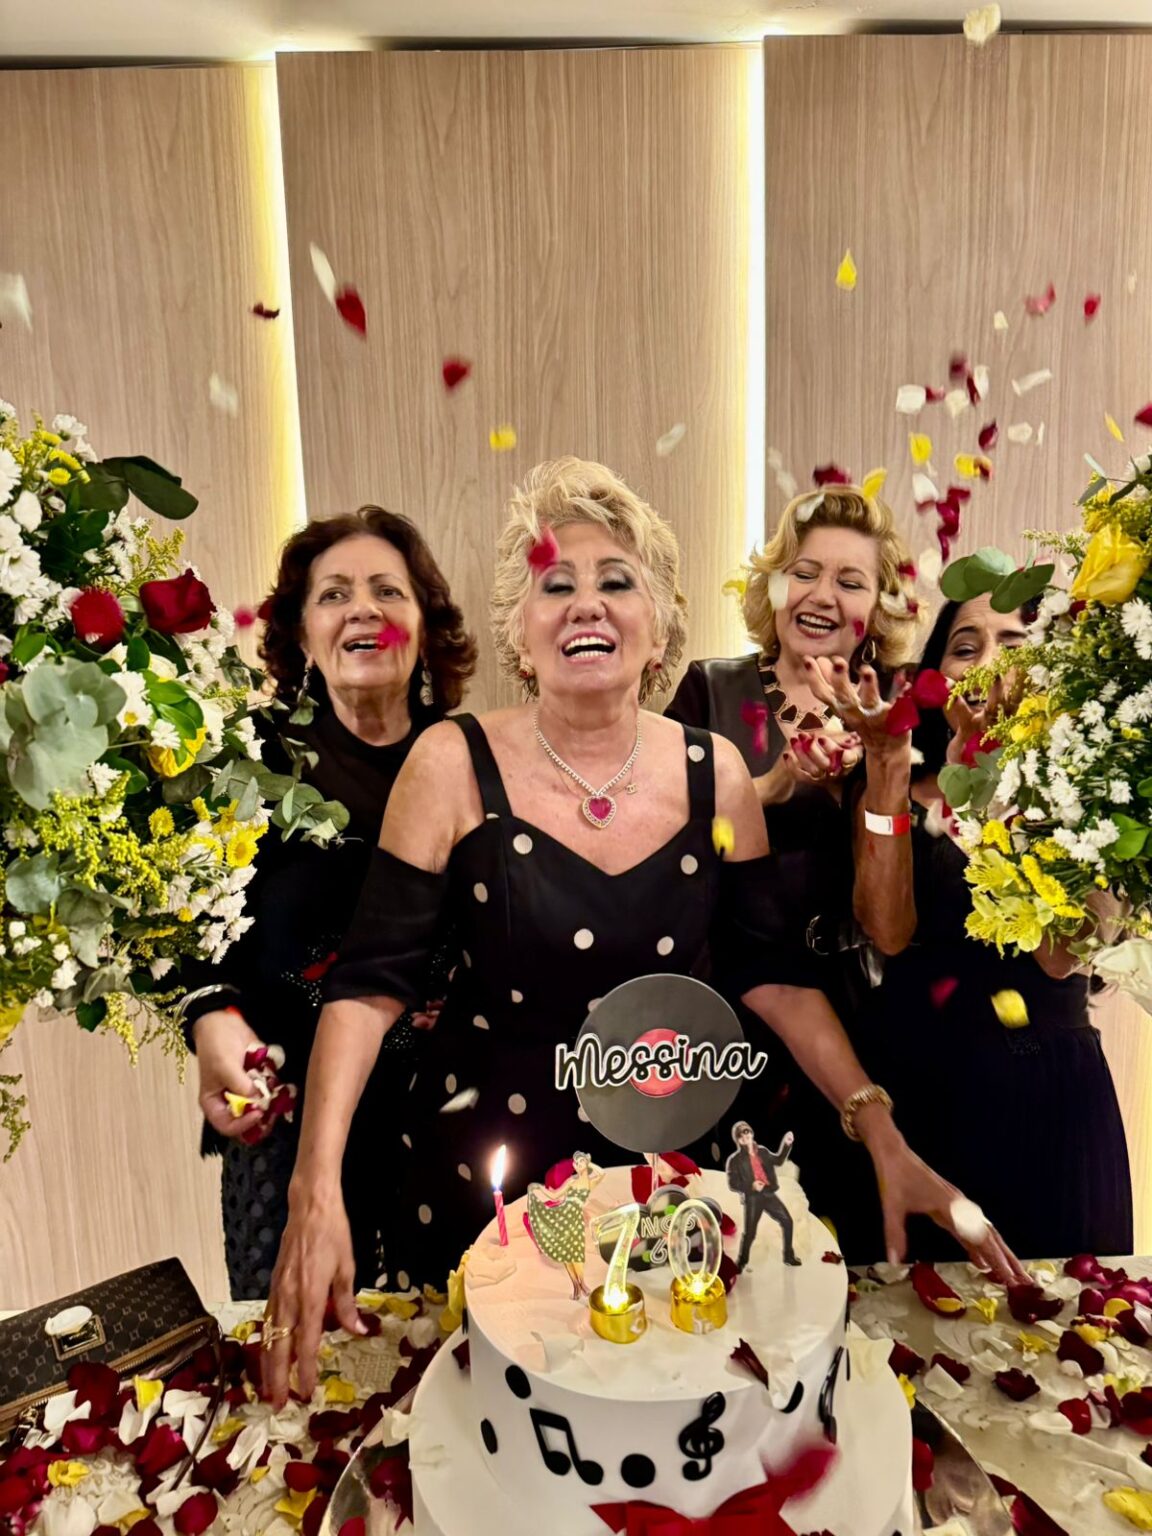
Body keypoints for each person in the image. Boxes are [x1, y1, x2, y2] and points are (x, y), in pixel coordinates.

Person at [260, 458, 1026, 1405]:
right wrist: (314, 1185)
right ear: (519, 628)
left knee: (669, 1431)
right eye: (556, 584)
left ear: (659, 625)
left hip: (679, 1195)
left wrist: (880, 1131)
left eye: (616, 582)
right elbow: (371, 984)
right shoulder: (449, 761)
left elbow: (772, 977)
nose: (587, 603)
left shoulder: (718, 774)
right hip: (481, 1189)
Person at [178, 507, 476, 1298]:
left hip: (447, 1120)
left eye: (388, 591)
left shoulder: (473, 761)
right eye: (334, 595)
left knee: (451, 1346)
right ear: (302, 634)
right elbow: (188, 925)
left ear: (425, 628)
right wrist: (209, 1018)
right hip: (288, 1131)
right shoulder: (249, 759)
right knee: (308, 1360)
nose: (362, 610)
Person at [809, 594, 1134, 1259]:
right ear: (937, 676)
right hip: (914, 1102)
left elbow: (1063, 952)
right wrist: (888, 766)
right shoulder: (891, 779)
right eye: (965, 647)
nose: (986, 663)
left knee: (1064, 1315)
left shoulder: (1098, 790)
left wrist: (991, 786)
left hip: (1049, 1104)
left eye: (1014, 646)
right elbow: (886, 929)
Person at [666, 487, 922, 1226]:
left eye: (851, 582)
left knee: (857, 1238)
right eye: (804, 573)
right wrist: (771, 788)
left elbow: (891, 929)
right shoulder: (710, 690)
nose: (822, 596)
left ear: (877, 610)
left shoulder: (897, 714)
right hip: (725, 1017)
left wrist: (881, 770)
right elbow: (656, 855)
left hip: (863, 1019)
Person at [527, 1152, 606, 1299]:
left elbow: (602, 1173)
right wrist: (539, 1188)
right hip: (563, 1216)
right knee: (567, 1254)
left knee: (577, 1253)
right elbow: (554, 1196)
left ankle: (582, 1283)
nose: (580, 1165)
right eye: (577, 1163)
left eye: (582, 1162)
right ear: (575, 1166)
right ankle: (576, 1286)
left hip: (576, 1219)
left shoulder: (589, 1183)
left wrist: (589, 1163)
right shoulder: (571, 1182)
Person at [725, 1124, 799, 1269]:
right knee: (750, 1233)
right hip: (753, 1198)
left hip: (768, 1193)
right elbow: (733, 1183)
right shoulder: (735, 1160)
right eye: (741, 1136)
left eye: (747, 1133)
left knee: (787, 1221)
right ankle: (742, 1262)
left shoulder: (763, 1152)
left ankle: (788, 1256)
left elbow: (778, 1161)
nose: (745, 1137)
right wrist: (751, 1186)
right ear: (738, 1141)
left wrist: (786, 1144)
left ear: (752, 1134)